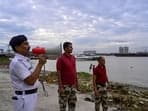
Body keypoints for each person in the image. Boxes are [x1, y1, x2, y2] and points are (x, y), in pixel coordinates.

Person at [9, 35, 47, 111]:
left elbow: (33, 75)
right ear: (17, 47)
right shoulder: (17, 62)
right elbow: (30, 81)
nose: (29, 46)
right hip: (24, 97)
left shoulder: (25, 60)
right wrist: (40, 64)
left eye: (28, 43)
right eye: (25, 44)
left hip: (29, 95)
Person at [56, 42, 79, 111]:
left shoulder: (73, 58)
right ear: (65, 48)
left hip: (73, 86)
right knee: (63, 106)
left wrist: (76, 83)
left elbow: (74, 71)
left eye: (72, 47)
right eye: (70, 47)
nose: (72, 48)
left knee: (72, 105)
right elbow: (58, 73)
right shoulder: (60, 59)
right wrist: (60, 87)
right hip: (65, 86)